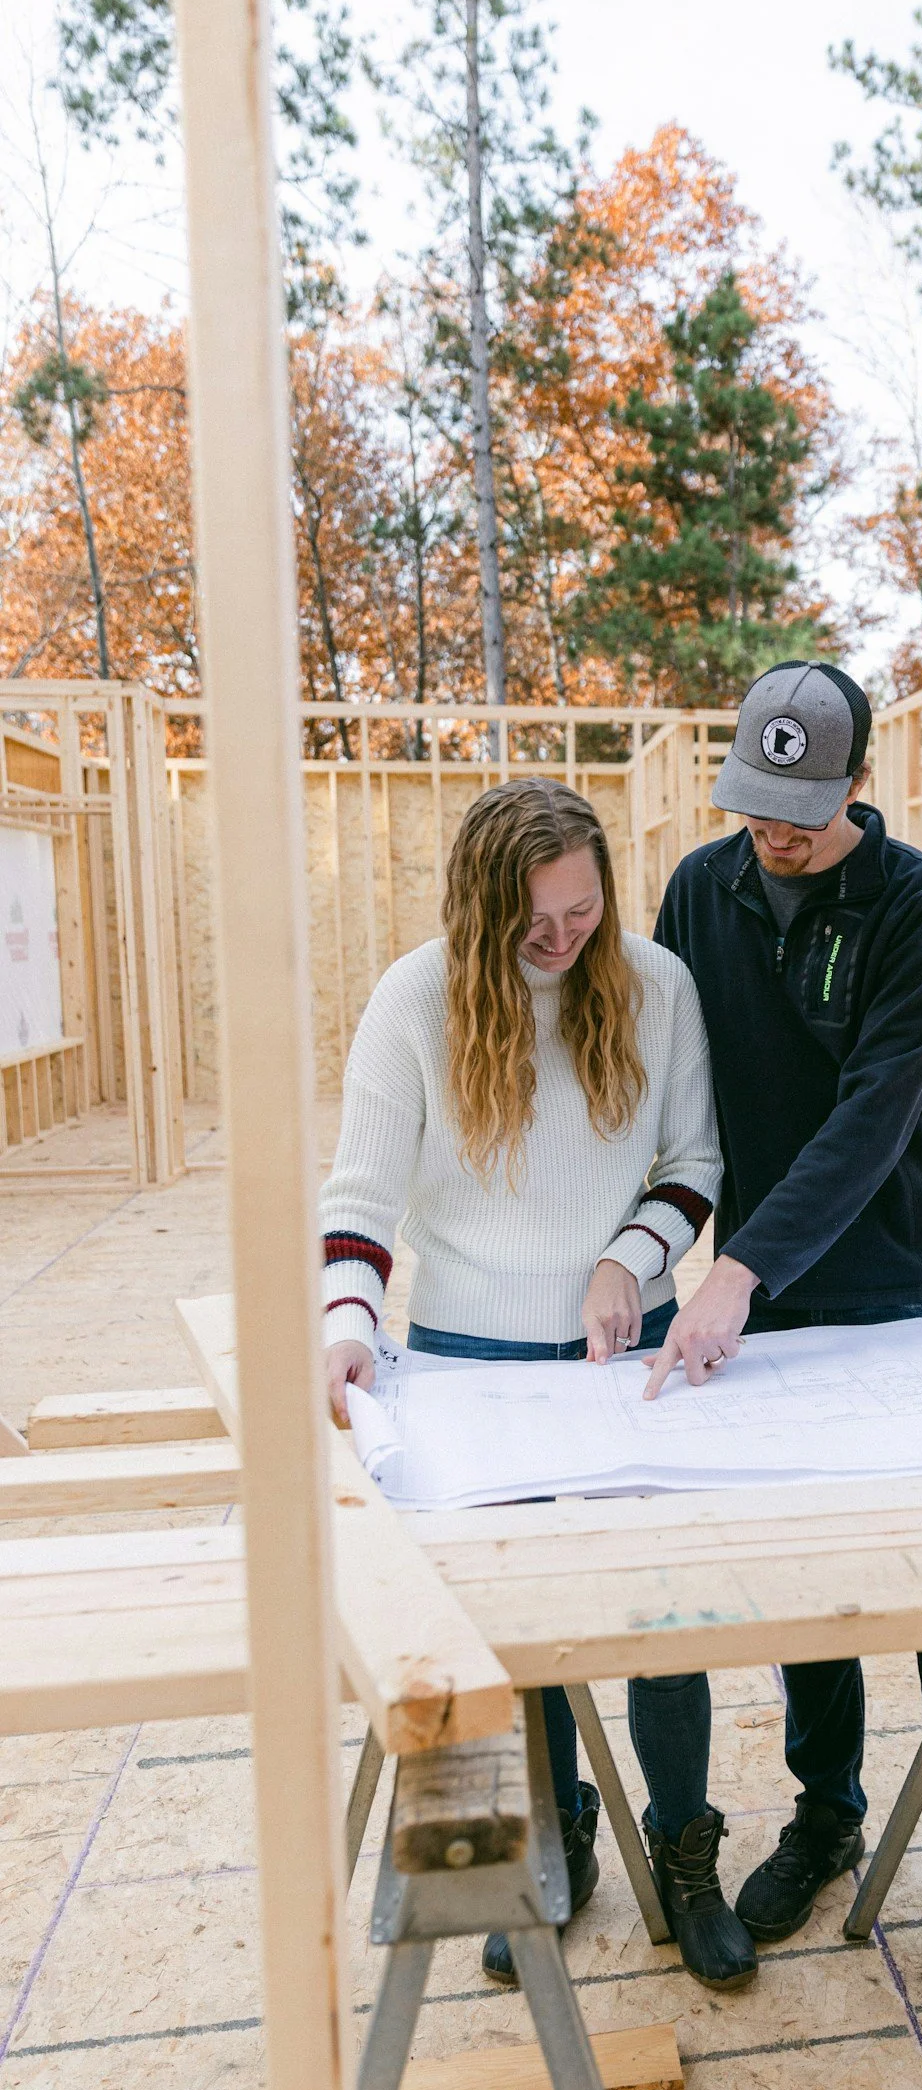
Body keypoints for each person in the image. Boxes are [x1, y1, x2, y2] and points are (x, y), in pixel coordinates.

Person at [318, 777, 758, 1991]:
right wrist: (349, 1326)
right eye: (534, 924)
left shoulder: (655, 985)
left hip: (632, 1351)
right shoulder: (414, 999)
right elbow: (357, 1199)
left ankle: (683, 1844)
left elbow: (692, 1162)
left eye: (581, 910)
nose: (563, 940)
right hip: (468, 1363)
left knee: (665, 1611)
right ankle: (552, 1846)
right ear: (478, 911)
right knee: (516, 1630)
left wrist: (628, 1259)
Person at [650, 661, 922, 1943]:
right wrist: (636, 1242)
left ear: (858, 787)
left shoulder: (915, 903)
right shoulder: (697, 891)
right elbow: (659, 1080)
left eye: (798, 811)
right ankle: (826, 1815)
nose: (771, 834)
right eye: (755, 806)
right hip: (760, 1292)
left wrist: (735, 1267)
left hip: (899, 1276)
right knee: (811, 1573)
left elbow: (873, 1114)